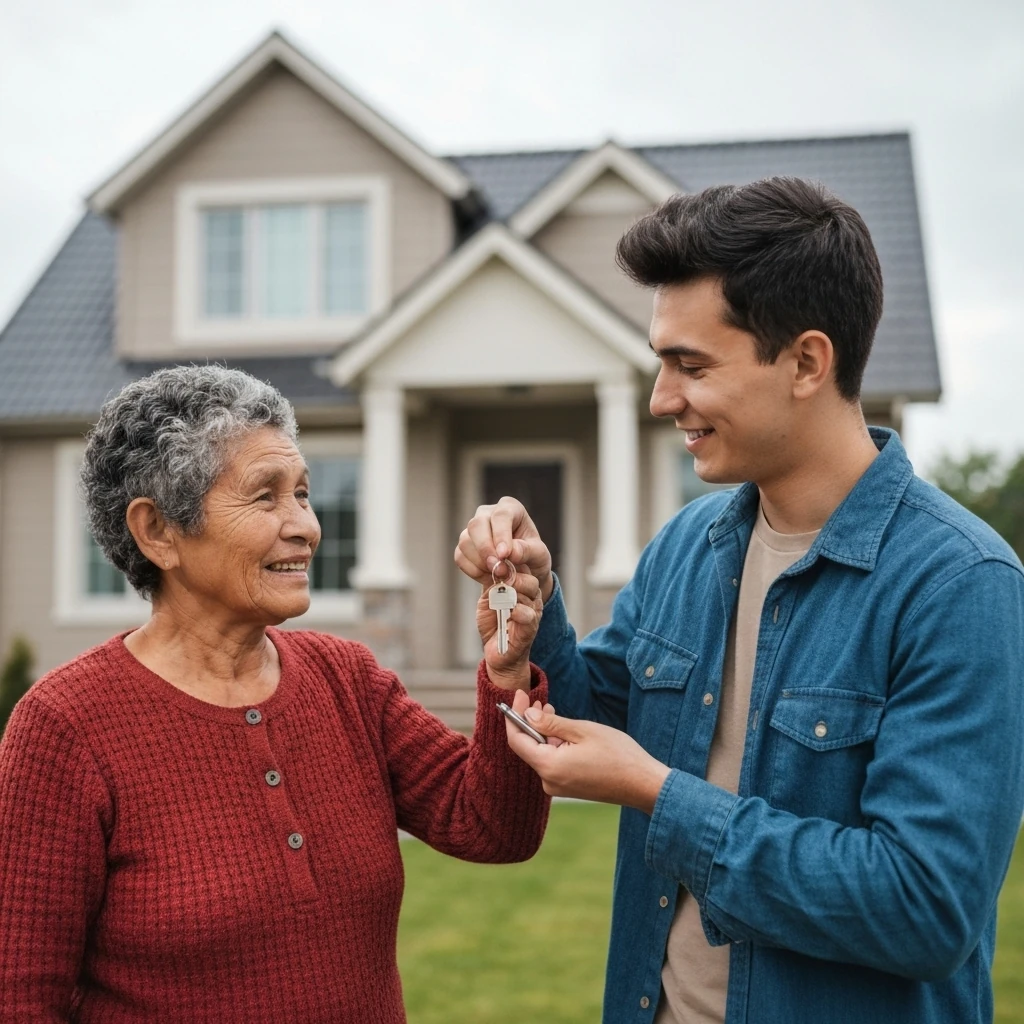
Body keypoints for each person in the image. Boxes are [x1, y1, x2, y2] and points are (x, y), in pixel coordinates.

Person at [456, 177, 1024, 1024]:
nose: (661, 399)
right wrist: (536, 622)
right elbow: (601, 713)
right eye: (660, 363)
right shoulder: (690, 544)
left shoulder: (960, 585)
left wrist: (661, 796)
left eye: (691, 365)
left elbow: (924, 908)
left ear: (806, 362)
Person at [0, 365, 551, 1023]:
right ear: (158, 532)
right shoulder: (65, 726)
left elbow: (495, 827)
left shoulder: (346, 679)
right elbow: (21, 996)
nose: (306, 527)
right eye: (266, 497)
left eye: (304, 494)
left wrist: (507, 670)